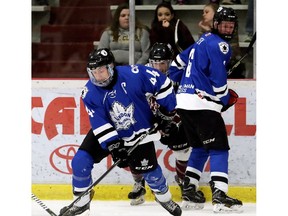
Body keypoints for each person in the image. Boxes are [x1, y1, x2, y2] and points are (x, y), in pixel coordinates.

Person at [60, 48, 182, 216]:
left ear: (111, 67)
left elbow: (163, 84)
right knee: (80, 161)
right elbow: (100, 123)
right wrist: (114, 146)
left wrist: (167, 115)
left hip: (138, 131)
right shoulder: (89, 92)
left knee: (151, 174)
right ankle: (81, 204)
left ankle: (164, 198)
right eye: (94, 72)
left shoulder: (135, 74)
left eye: (101, 71)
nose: (98, 76)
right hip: (108, 132)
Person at [168, 7, 243, 213]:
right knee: (218, 149)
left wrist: (181, 85)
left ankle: (189, 190)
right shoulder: (221, 45)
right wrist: (226, 99)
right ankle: (220, 195)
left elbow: (176, 65)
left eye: (231, 26)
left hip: (183, 102)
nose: (227, 29)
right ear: (216, 24)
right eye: (224, 25)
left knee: (200, 148)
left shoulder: (202, 40)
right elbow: (219, 84)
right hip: (202, 105)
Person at [127, 42, 205, 206]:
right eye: (155, 63)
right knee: (134, 148)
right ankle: (139, 183)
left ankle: (184, 183)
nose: (159, 67)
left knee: (183, 150)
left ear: (170, 62)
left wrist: (171, 120)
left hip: (172, 119)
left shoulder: (180, 74)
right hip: (146, 118)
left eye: (163, 63)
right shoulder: (142, 73)